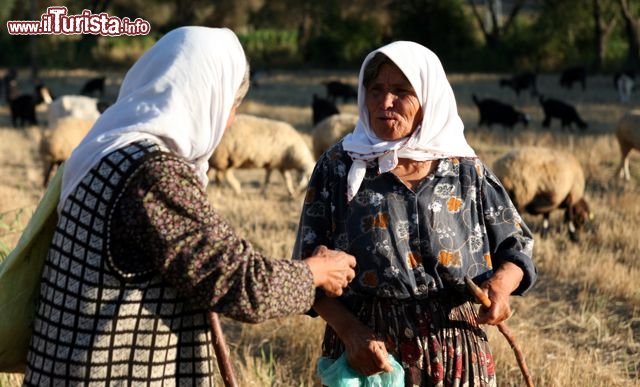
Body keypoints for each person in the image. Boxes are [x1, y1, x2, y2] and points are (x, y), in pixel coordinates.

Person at [22, 26, 356, 386]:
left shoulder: (107, 150)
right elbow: (237, 281)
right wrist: (315, 272)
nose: (228, 124)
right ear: (209, 99)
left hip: (66, 364)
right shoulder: (153, 173)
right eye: (232, 107)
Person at [293, 41, 536, 386]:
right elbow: (306, 264)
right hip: (367, 352)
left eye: (400, 91)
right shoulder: (339, 166)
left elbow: (516, 246)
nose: (384, 102)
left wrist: (501, 287)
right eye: (375, 89)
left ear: (428, 98)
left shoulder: (465, 169)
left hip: (455, 350)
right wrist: (351, 332)